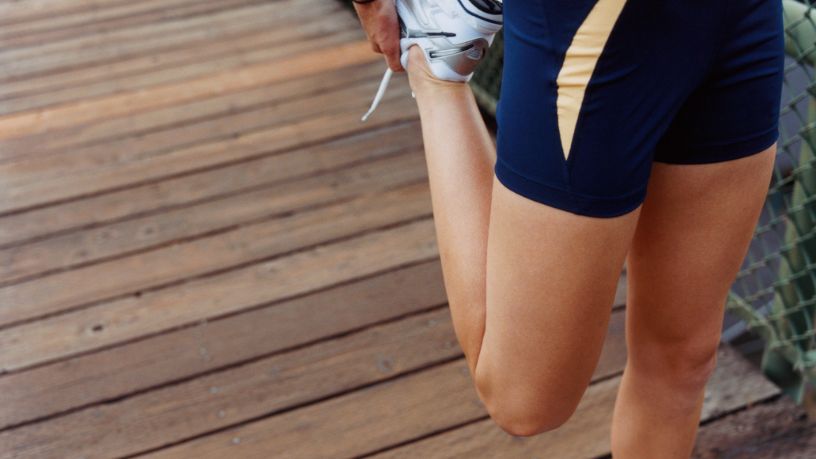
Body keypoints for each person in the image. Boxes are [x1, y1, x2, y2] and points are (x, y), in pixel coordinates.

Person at [352, 0, 784, 456]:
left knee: (685, 357)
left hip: (738, 13)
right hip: (598, 22)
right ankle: (434, 63)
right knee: (525, 401)